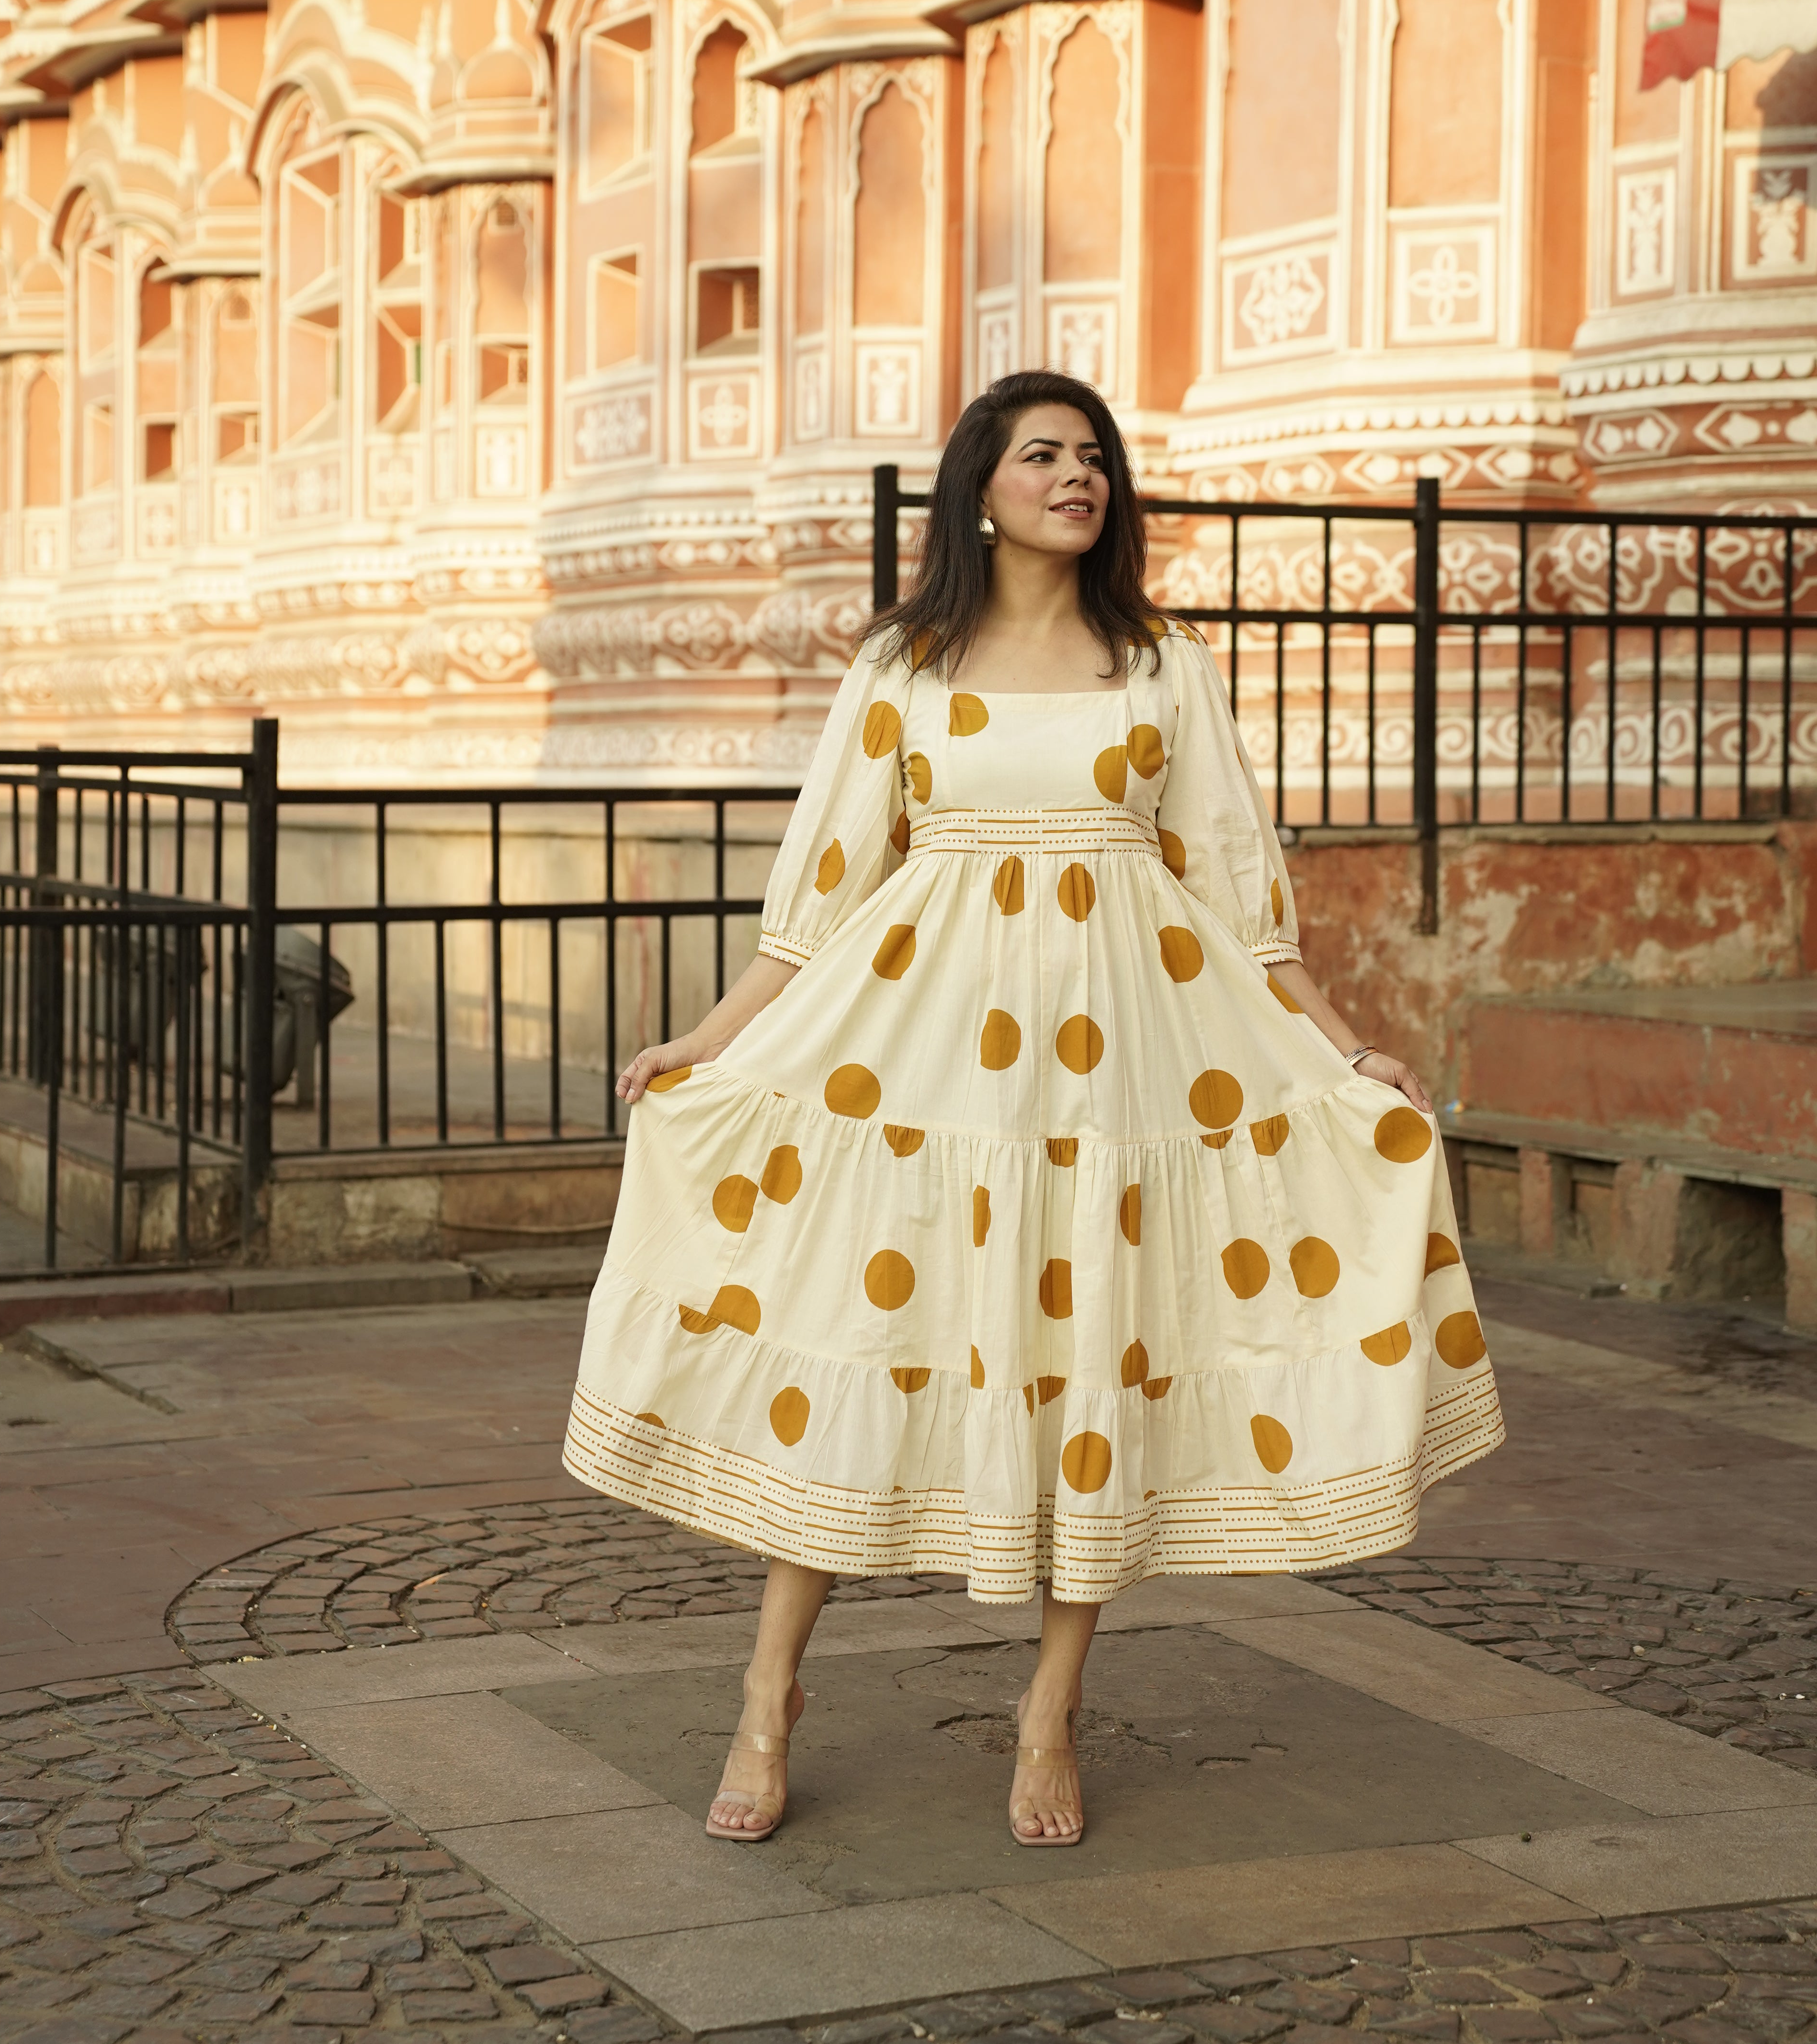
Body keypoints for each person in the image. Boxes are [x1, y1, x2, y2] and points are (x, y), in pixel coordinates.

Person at [565, 371, 1501, 1850]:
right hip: (926, 1058)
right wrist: (716, 1034)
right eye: (1046, 456)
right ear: (982, 485)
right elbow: (823, 886)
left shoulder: (1159, 663)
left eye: (1096, 459)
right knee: (865, 1330)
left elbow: (1238, 890)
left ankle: (1050, 1711)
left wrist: (1339, 1049)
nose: (1080, 478)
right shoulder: (906, 660)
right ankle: (767, 1694)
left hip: (1125, 1058)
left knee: (1091, 1361)